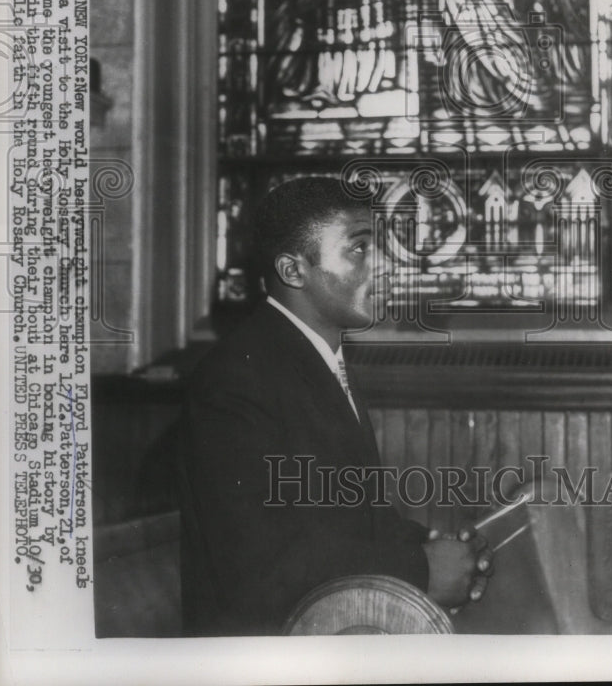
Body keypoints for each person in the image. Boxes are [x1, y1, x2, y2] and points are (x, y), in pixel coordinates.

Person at [179, 176, 493, 635]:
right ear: (293, 270)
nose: (384, 266)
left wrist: (436, 546)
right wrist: (420, 570)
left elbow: (347, 520)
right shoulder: (235, 380)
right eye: (360, 250)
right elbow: (261, 559)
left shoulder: (318, 359)